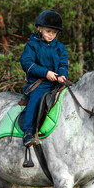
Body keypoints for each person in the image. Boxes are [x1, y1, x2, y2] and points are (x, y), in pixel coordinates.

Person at [20, 10, 68, 147]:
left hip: (57, 84)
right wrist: (46, 73)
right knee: (36, 99)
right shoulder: (31, 45)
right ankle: (28, 132)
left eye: (54, 32)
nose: (51, 35)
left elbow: (63, 64)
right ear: (39, 28)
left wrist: (62, 74)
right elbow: (27, 63)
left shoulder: (60, 47)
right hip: (38, 84)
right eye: (48, 31)